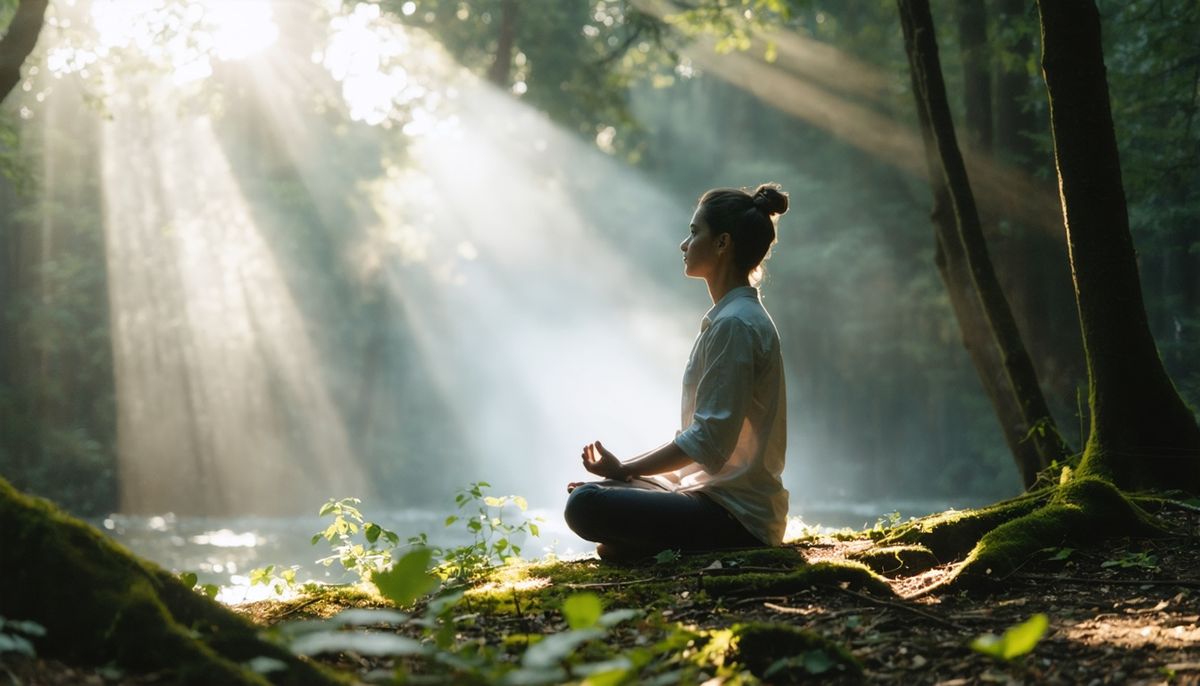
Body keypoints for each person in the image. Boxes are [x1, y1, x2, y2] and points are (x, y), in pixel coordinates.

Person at [564, 183, 790, 561]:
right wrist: (625, 477)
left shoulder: (735, 325)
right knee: (596, 492)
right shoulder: (731, 319)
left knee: (586, 504)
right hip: (707, 496)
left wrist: (625, 470)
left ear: (722, 243)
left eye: (694, 232)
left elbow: (707, 443)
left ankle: (648, 546)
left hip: (737, 517)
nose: (684, 244)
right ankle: (643, 543)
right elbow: (702, 444)